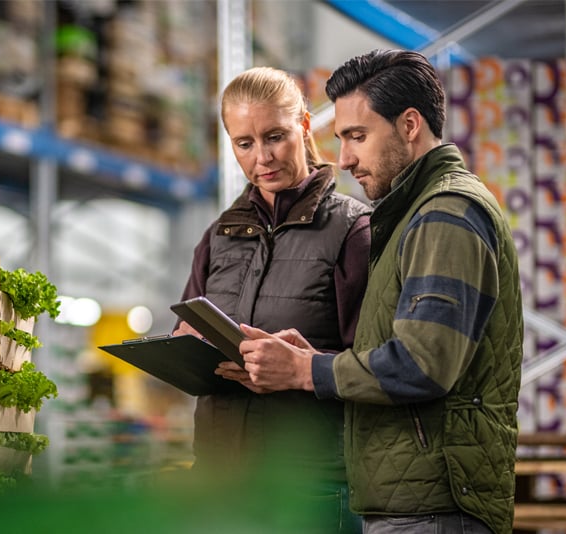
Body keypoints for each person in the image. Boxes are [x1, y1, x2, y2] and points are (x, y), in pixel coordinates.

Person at [221, 50, 523, 534]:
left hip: (433, 506)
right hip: (409, 499)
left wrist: (306, 370)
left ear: (409, 125)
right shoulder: (410, 213)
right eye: (341, 138)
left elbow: (423, 364)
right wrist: (312, 356)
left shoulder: (445, 214)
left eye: (358, 137)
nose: (344, 158)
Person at [173, 66, 371, 533]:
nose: (262, 157)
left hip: (309, 484)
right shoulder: (219, 235)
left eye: (275, 136)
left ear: (304, 126)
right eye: (244, 143)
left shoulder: (352, 229)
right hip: (219, 478)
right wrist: (183, 347)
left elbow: (376, 367)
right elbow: (189, 328)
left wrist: (301, 371)